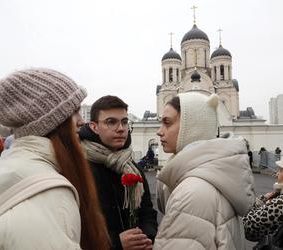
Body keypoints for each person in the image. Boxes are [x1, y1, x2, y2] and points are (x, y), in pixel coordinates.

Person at [0, 68, 110, 249]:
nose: (81, 121)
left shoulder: (6, 167)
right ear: (51, 122)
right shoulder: (51, 198)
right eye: (74, 111)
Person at [153, 92, 255, 249]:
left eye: (167, 123)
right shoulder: (216, 176)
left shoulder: (192, 193)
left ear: (192, 128)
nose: (159, 131)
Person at [79, 95, 157, 250]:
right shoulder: (80, 168)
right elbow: (76, 227)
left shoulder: (131, 167)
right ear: (94, 127)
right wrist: (115, 243)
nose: (121, 128)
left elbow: (147, 212)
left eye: (124, 121)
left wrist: (145, 237)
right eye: (111, 122)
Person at [243, 159, 283, 249]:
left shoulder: (280, 204)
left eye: (280, 171)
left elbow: (248, 228)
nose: (277, 174)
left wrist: (260, 201)